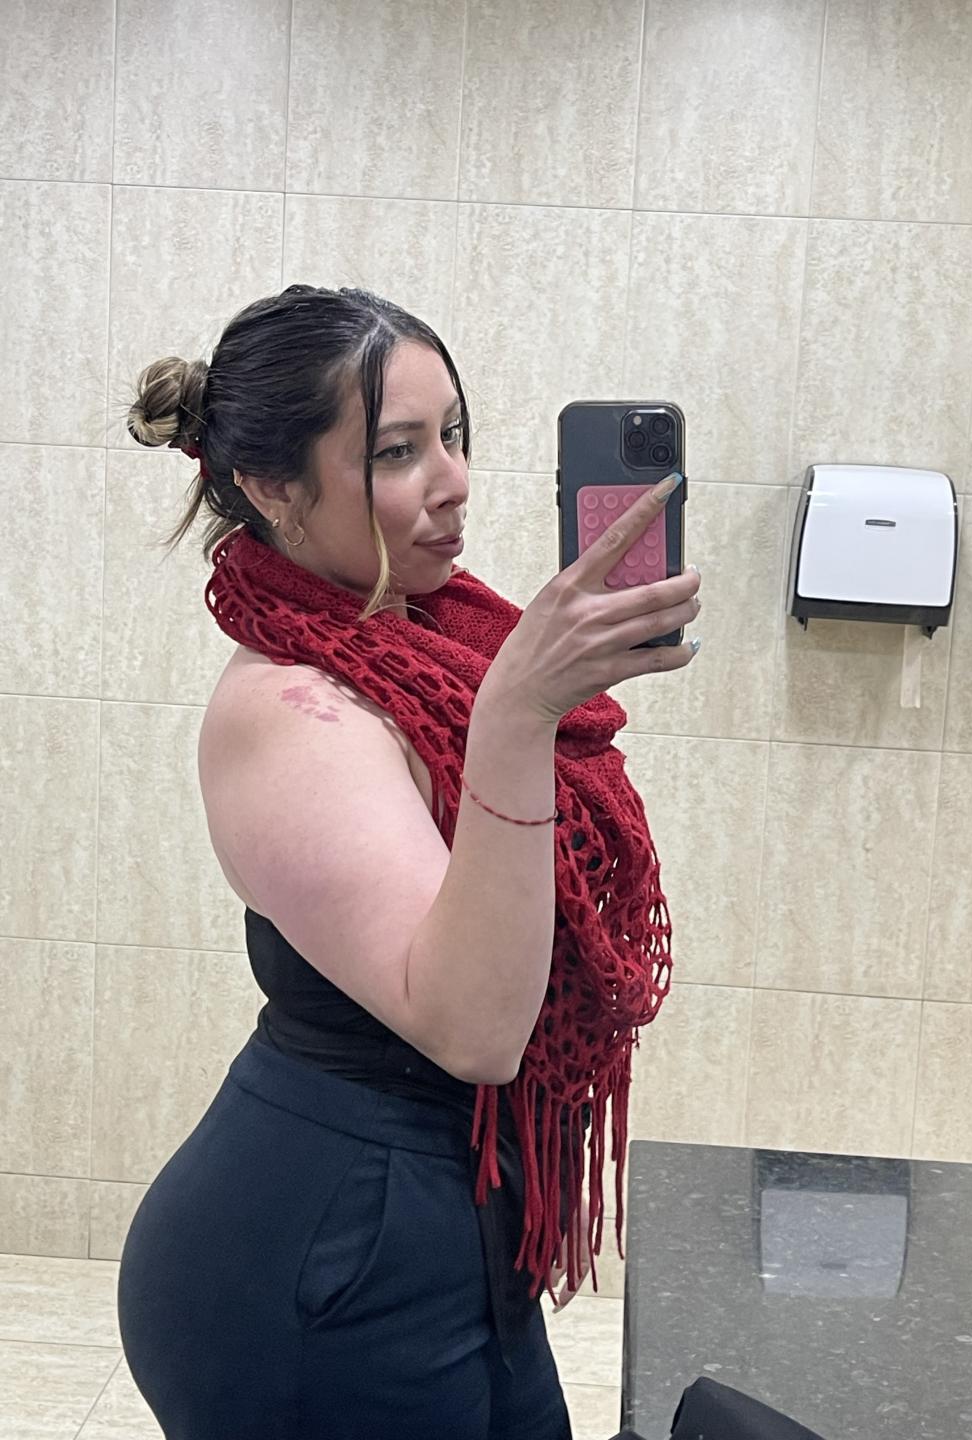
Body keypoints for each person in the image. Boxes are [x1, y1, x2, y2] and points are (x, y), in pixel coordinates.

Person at [116, 284, 702, 1440]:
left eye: (455, 435)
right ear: (273, 486)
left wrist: (520, 701)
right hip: (317, 1260)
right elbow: (475, 1028)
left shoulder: (427, 643)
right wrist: (518, 715)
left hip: (444, 1218)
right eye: (398, 451)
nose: (454, 480)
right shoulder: (287, 712)